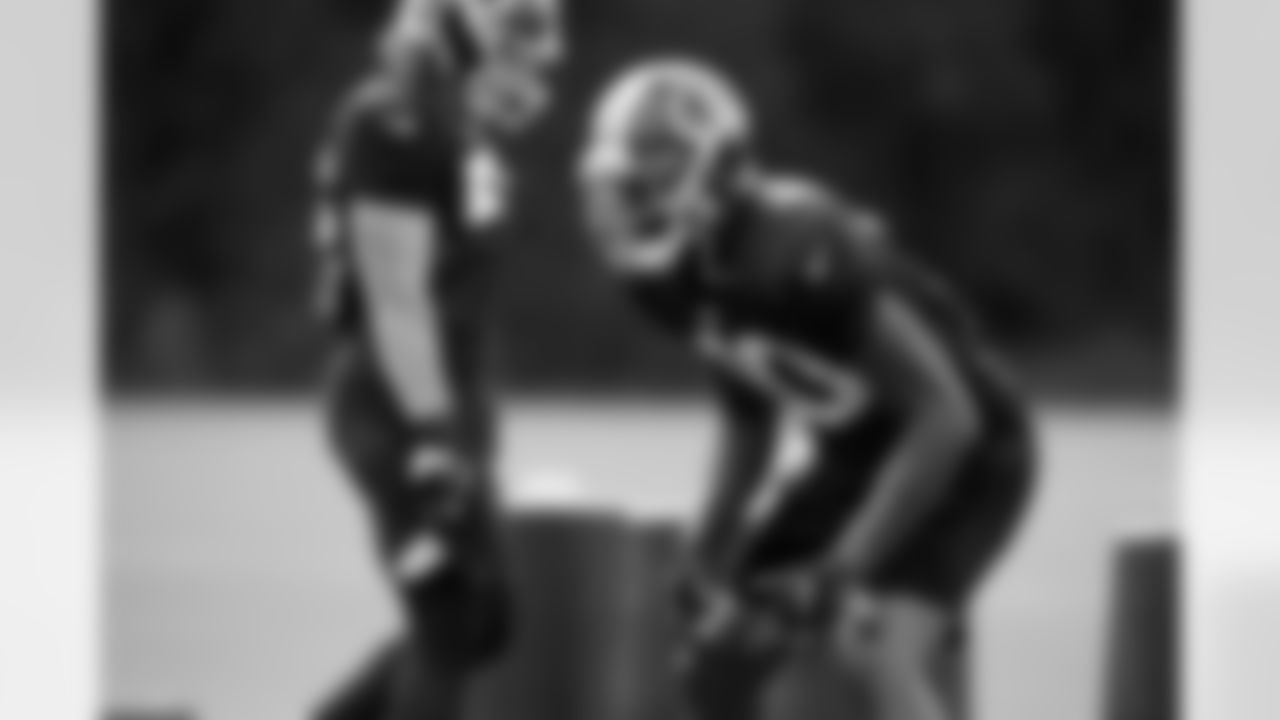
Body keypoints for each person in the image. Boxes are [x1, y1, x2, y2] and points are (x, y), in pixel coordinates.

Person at [577, 57, 1037, 720]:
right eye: (628, 168)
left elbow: (947, 415)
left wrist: (839, 570)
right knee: (724, 652)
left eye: (658, 162)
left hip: (973, 456)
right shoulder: (672, 279)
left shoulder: (794, 248)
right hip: (858, 455)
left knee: (876, 653)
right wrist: (708, 544)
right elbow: (748, 419)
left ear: (717, 166)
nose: (634, 189)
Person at [309, 1, 563, 718]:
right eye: (517, 27)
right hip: (395, 402)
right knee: (450, 621)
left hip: (446, 398)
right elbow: (395, 295)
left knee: (481, 624)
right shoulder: (396, 118)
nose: (535, 49)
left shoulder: (456, 123)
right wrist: (434, 437)